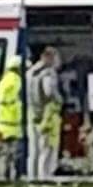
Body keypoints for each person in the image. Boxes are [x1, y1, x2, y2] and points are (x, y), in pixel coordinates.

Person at [28, 47, 64, 179]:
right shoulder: (48, 73)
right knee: (47, 148)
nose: (59, 62)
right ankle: (45, 177)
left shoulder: (30, 72)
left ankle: (33, 177)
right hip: (47, 115)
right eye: (57, 58)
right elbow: (49, 91)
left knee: (34, 150)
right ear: (50, 58)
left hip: (33, 113)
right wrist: (60, 99)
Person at [0, 55, 26, 180]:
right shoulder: (17, 80)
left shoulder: (4, 80)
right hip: (14, 121)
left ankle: (6, 173)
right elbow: (18, 99)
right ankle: (17, 175)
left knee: (6, 150)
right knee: (17, 151)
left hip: (3, 122)